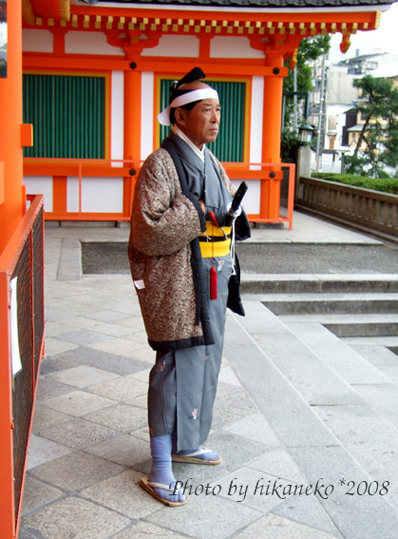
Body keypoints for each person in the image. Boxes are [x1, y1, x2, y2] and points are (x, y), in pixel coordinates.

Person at [128, 67, 250, 507]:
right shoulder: (160, 163)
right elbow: (147, 231)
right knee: (175, 367)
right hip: (181, 281)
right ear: (179, 117)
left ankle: (187, 442)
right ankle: (160, 467)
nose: (216, 118)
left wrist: (219, 217)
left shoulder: (210, 159)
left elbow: (211, 212)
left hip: (212, 275)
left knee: (205, 361)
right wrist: (198, 211)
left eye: (219, 110)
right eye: (206, 111)